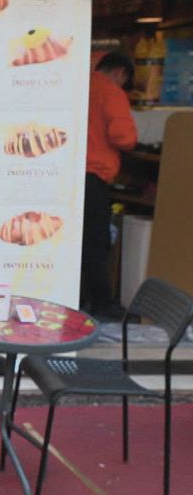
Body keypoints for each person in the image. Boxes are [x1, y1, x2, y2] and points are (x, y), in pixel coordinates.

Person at [82, 51, 138, 319]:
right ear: (121, 73)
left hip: (70, 175)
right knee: (97, 242)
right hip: (94, 176)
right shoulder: (113, 92)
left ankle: (78, 297)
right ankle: (102, 303)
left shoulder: (81, 83)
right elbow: (123, 136)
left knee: (77, 241)